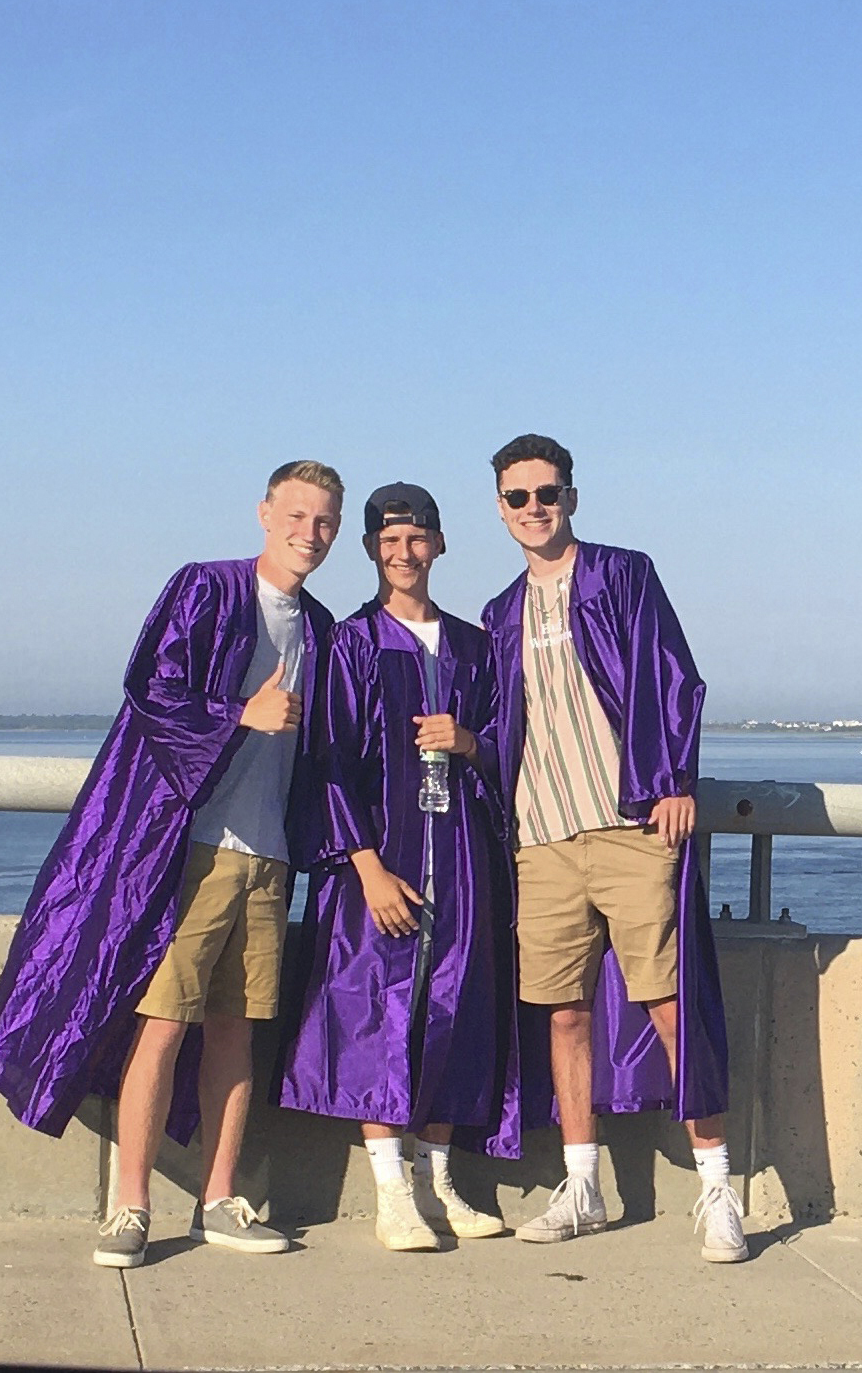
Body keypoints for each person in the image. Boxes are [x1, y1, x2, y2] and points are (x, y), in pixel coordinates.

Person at [0, 460, 343, 1270]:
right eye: (297, 514)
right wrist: (238, 715)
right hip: (192, 848)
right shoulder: (207, 588)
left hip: (268, 855)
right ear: (263, 513)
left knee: (235, 1032)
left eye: (324, 520)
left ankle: (219, 1199)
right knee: (162, 1024)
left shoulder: (319, 625)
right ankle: (129, 1205)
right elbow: (152, 686)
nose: (308, 531)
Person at [478, 434, 746, 1263]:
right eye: (518, 496)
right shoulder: (497, 614)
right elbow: (498, 728)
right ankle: (581, 1184)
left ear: (571, 496)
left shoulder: (621, 575)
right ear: (499, 506)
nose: (534, 508)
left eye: (547, 492)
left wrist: (671, 778)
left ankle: (716, 1190)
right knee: (562, 1013)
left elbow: (671, 675)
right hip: (543, 837)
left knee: (670, 1004)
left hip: (630, 827)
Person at [278, 483, 514, 1251]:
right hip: (380, 858)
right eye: (389, 541)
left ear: (439, 545)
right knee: (376, 1009)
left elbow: (515, 751)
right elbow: (331, 763)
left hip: (465, 855)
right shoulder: (350, 645)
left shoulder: (476, 646)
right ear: (372, 548)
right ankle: (391, 1191)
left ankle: (439, 1181)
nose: (404, 554)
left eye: (416, 539)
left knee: (456, 1005)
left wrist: (470, 741)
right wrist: (367, 867)